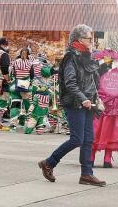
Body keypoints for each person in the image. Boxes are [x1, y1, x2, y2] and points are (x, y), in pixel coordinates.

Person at [38, 24, 106, 187]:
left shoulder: (87, 56)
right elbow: (70, 82)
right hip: (75, 102)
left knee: (88, 139)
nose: (92, 41)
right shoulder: (71, 57)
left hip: (89, 103)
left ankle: (87, 174)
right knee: (77, 139)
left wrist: (96, 99)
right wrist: (83, 98)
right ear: (79, 39)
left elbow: (92, 81)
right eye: (89, 38)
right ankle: (49, 162)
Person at [92, 53, 118, 167]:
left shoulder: (96, 70)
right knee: (110, 133)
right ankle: (107, 160)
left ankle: (91, 159)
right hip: (113, 109)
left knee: (95, 132)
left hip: (99, 106)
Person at [10, 47, 34, 130]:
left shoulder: (15, 62)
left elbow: (12, 73)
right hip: (25, 86)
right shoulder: (30, 63)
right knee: (28, 105)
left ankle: (13, 125)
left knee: (15, 105)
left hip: (16, 86)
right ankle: (29, 124)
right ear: (28, 55)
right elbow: (32, 75)